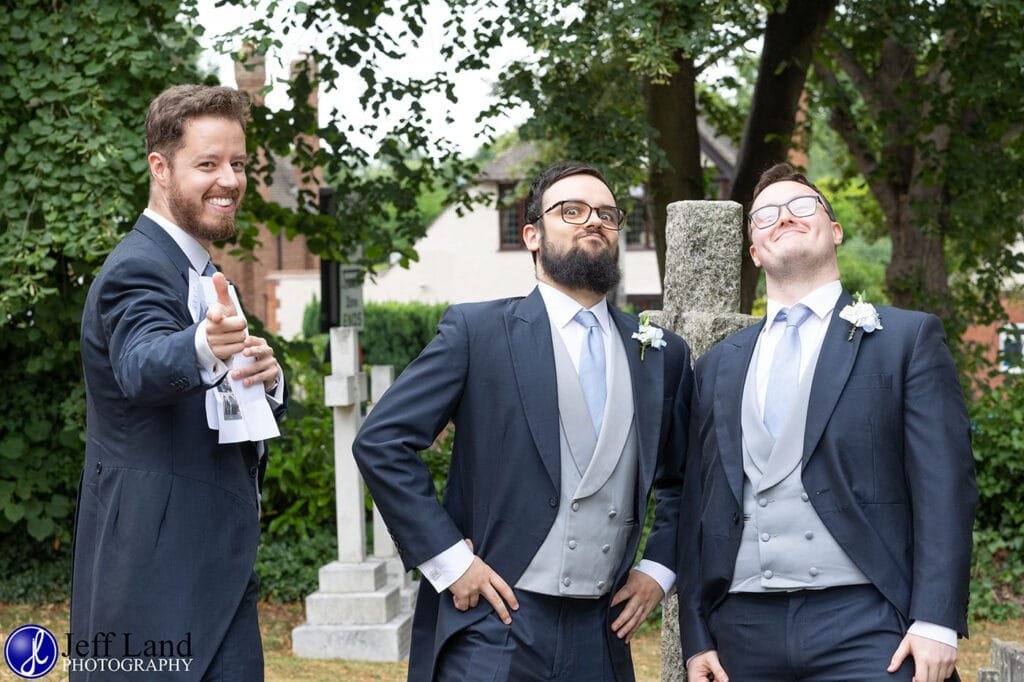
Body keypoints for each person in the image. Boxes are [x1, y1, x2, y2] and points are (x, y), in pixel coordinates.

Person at [353, 162, 694, 681]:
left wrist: (658, 569)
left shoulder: (661, 354)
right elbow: (382, 441)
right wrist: (449, 561)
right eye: (572, 211)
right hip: (497, 622)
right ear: (532, 235)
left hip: (602, 633)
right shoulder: (478, 331)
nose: (593, 221)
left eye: (606, 213)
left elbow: (682, 480)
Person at [680, 163, 977, 682]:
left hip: (870, 625)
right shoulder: (716, 365)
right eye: (765, 215)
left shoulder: (906, 341)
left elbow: (944, 485)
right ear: (754, 249)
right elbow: (694, 504)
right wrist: (696, 635)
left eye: (801, 206)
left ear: (834, 230)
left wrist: (937, 618)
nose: (784, 218)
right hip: (740, 634)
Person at [71, 84, 286, 681]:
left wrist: (265, 384)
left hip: (214, 567)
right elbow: (140, 365)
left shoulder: (205, 272)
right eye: (209, 164)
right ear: (160, 168)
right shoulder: (138, 267)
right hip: (153, 577)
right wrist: (199, 346)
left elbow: (217, 403)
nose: (230, 180)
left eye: (238, 164)